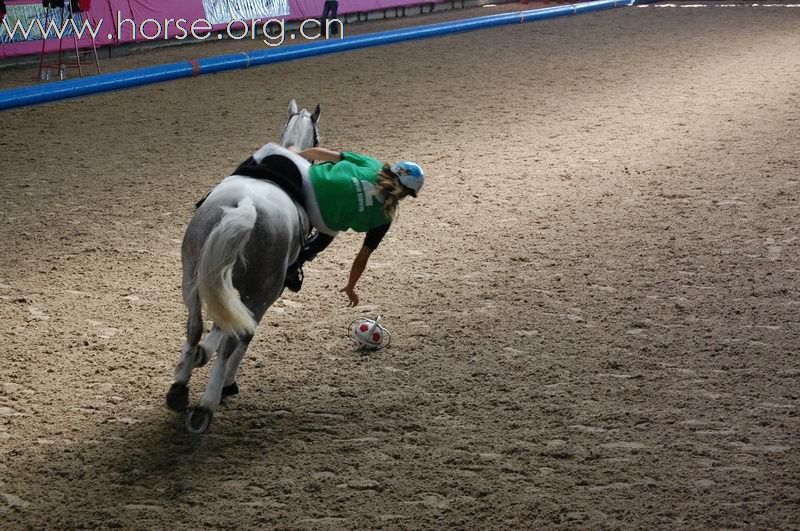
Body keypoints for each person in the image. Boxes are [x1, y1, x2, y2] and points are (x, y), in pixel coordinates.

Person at [251, 143, 423, 306]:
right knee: (332, 230)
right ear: (406, 192)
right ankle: (297, 263)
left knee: (271, 149)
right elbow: (361, 259)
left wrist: (297, 153)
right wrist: (350, 286)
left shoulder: (373, 164)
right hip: (322, 219)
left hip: (309, 183)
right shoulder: (386, 217)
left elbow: (320, 153)